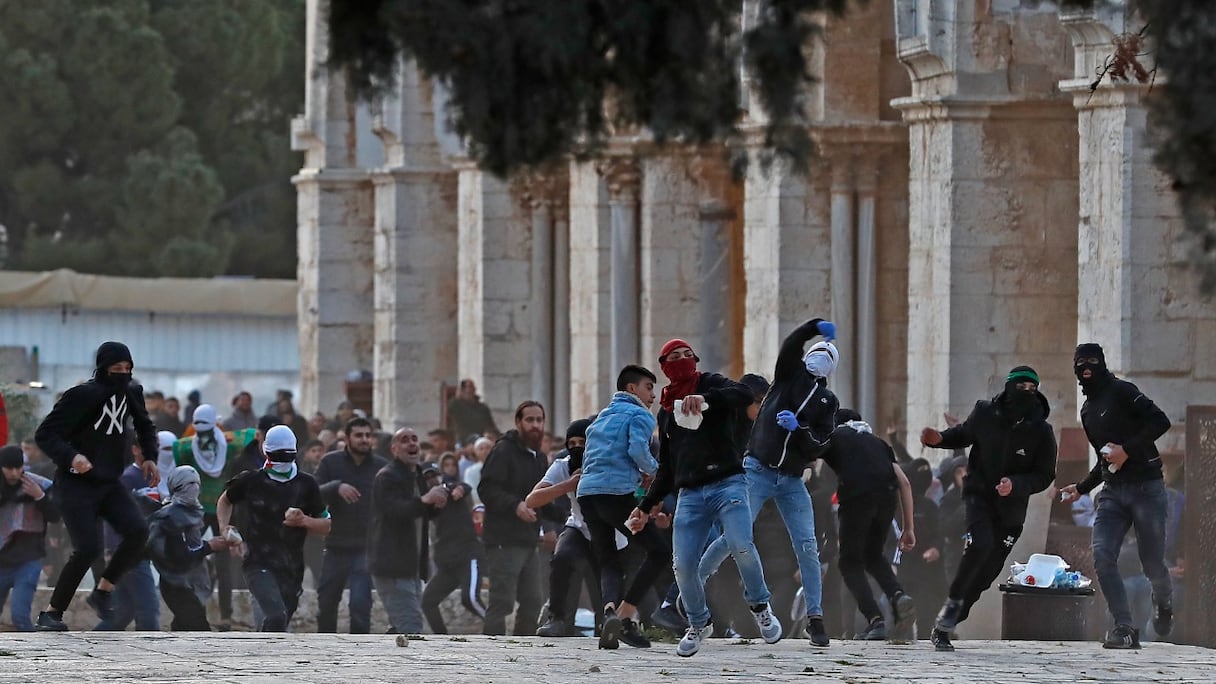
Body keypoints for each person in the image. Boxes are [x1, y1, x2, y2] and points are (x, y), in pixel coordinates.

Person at [636, 339, 780, 658]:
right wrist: (644, 507)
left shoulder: (710, 383)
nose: (683, 360)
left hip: (728, 482)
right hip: (690, 494)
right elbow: (667, 468)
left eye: (688, 355)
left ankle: (760, 605)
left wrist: (704, 398)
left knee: (741, 544)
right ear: (664, 366)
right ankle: (699, 623)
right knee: (684, 566)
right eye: (675, 357)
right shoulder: (666, 412)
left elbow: (742, 393)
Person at [699, 318, 838, 647]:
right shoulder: (788, 374)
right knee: (735, 534)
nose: (822, 358)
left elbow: (821, 441)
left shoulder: (827, 401)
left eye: (829, 356)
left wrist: (799, 429)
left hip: (791, 478)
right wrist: (812, 328)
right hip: (758, 469)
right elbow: (791, 344)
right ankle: (695, 584)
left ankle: (815, 618)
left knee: (807, 545)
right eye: (819, 352)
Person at [921, 365, 1057, 652]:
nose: (1026, 394)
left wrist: (1016, 484)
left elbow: (1045, 475)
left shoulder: (1042, 431)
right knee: (979, 546)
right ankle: (945, 623)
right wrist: (940, 440)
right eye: (1020, 387)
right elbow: (964, 434)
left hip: (1010, 512)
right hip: (979, 497)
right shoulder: (985, 412)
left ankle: (951, 619)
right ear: (1009, 387)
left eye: (1032, 389)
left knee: (986, 575)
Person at [33, 341, 160, 631]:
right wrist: (71, 457)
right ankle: (51, 614)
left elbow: (144, 425)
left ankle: (102, 590)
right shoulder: (81, 395)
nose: (123, 374)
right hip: (75, 484)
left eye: (128, 369)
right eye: (116, 370)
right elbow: (46, 434)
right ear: (103, 368)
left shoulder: (132, 391)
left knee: (138, 531)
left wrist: (150, 457)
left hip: (108, 481)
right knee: (88, 548)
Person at [1060, 343, 1173, 650]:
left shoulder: (1122, 391)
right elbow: (1104, 459)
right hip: (1113, 492)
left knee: (1152, 564)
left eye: (1093, 362)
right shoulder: (1086, 410)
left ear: (1103, 363)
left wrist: (1128, 449)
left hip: (1147, 487)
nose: (1087, 368)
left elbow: (1160, 421)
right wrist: (1081, 487)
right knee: (1102, 555)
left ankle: (1163, 602)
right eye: (1081, 363)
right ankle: (1123, 626)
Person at [574, 366, 671, 649]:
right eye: (649, 387)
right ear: (632, 389)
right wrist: (658, 474)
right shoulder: (639, 414)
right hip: (616, 496)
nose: (653, 395)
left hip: (588, 497)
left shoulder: (601, 417)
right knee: (658, 551)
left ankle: (609, 614)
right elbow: (638, 451)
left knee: (608, 559)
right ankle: (626, 614)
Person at [217, 426, 331, 631]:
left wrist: (304, 520)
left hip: (291, 568)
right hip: (257, 562)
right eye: (278, 455)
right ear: (265, 451)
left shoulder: (307, 484)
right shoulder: (250, 480)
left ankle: (263, 660)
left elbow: (326, 526)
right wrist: (224, 528)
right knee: (275, 617)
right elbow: (225, 500)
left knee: (279, 623)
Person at [816, 409, 917, 641]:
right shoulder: (878, 443)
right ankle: (898, 595)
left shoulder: (835, 437)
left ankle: (875, 620)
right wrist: (908, 528)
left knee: (849, 562)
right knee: (873, 556)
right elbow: (905, 482)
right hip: (886, 499)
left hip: (857, 498)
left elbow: (810, 450)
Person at [172, 404, 255, 630]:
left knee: (207, 561)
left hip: (211, 508)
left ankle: (209, 615)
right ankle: (216, 615)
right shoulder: (228, 443)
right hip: (212, 509)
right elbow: (250, 435)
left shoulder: (186, 447)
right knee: (210, 562)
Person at [477, 401, 554, 636]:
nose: (535, 425)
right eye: (529, 420)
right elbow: (487, 489)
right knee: (502, 602)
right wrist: (516, 505)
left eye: (539, 420)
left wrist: (552, 524)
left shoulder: (539, 458)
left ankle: (523, 651)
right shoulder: (503, 451)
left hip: (528, 540)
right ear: (518, 423)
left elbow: (543, 498)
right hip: (503, 540)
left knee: (532, 601)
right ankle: (493, 655)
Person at [368, 428, 450, 634]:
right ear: (394, 449)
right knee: (411, 625)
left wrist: (435, 506)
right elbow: (395, 510)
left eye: (415, 439)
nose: (412, 444)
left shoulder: (418, 475)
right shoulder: (386, 477)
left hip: (412, 567)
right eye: (405, 440)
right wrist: (426, 499)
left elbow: (421, 512)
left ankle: (388, 665)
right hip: (393, 566)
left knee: (401, 626)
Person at [530, 418, 606, 638]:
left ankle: (609, 624)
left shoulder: (609, 463)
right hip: (578, 526)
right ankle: (557, 619)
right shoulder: (563, 465)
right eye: (571, 444)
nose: (576, 448)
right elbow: (532, 499)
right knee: (563, 557)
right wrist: (567, 485)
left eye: (581, 442)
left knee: (603, 583)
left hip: (608, 532)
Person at [314, 417, 388, 633]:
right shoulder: (330, 462)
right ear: (347, 438)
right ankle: (324, 651)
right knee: (326, 602)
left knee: (360, 604)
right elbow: (313, 492)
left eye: (368, 435)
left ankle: (360, 655)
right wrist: (336, 487)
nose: (364, 440)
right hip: (336, 546)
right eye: (359, 435)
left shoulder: (381, 467)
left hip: (366, 549)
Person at [146, 465, 229, 631]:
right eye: (187, 485)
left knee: (184, 628)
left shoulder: (193, 511)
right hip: (176, 582)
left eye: (196, 484)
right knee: (198, 629)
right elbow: (179, 557)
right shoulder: (170, 517)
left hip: (194, 580)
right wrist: (209, 546)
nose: (193, 490)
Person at [421, 454, 487, 633]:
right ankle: (442, 639)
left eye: (434, 475)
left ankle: (495, 628)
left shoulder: (451, 490)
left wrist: (458, 489)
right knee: (427, 602)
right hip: (447, 563)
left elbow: (463, 487)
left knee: (470, 598)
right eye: (427, 478)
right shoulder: (426, 503)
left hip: (468, 556)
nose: (432, 480)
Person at [0, 445, 59, 632]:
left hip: (28, 560)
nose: (14, 473)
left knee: (20, 616)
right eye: (9, 468)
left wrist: (39, 497)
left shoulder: (38, 484)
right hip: (2, 560)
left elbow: (55, 516)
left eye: (18, 468)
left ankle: (33, 658)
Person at [898, 458, 947, 641]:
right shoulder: (897, 505)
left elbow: (939, 533)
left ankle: (926, 638)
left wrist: (936, 549)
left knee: (926, 610)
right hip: (901, 565)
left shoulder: (930, 507)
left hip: (925, 568)